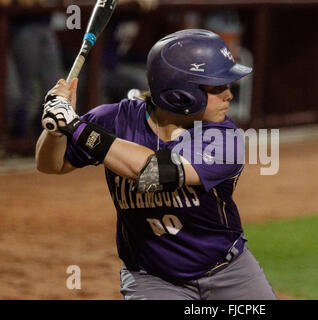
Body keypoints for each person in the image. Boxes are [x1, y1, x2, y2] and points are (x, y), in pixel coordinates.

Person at [35, 29, 277, 300]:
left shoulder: (223, 138)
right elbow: (51, 165)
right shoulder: (114, 120)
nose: (229, 95)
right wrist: (56, 130)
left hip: (228, 271)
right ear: (181, 92)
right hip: (152, 279)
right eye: (217, 87)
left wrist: (75, 126)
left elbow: (155, 172)